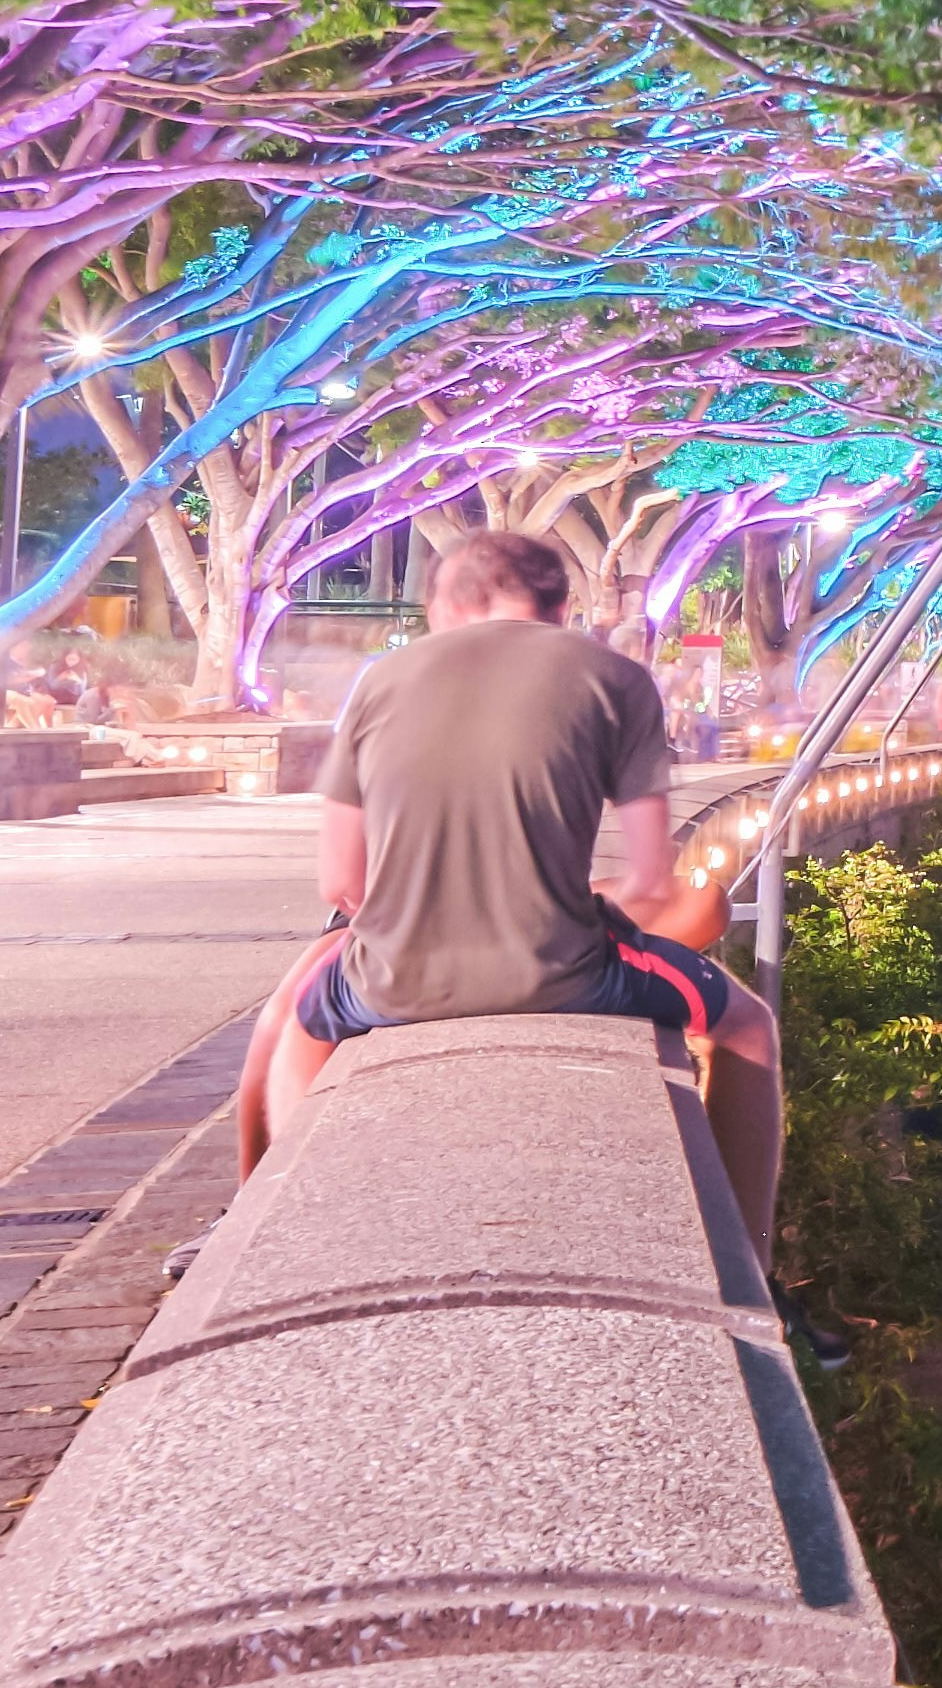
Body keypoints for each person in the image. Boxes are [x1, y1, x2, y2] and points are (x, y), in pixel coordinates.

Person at [238, 529, 780, 1242]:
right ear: (557, 607)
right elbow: (650, 884)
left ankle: (253, 1219)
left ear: (454, 600)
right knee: (747, 1026)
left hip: (390, 984)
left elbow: (343, 882)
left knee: (295, 1020)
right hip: (563, 980)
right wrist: (561, 897)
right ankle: (745, 1250)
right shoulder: (615, 677)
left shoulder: (380, 680)